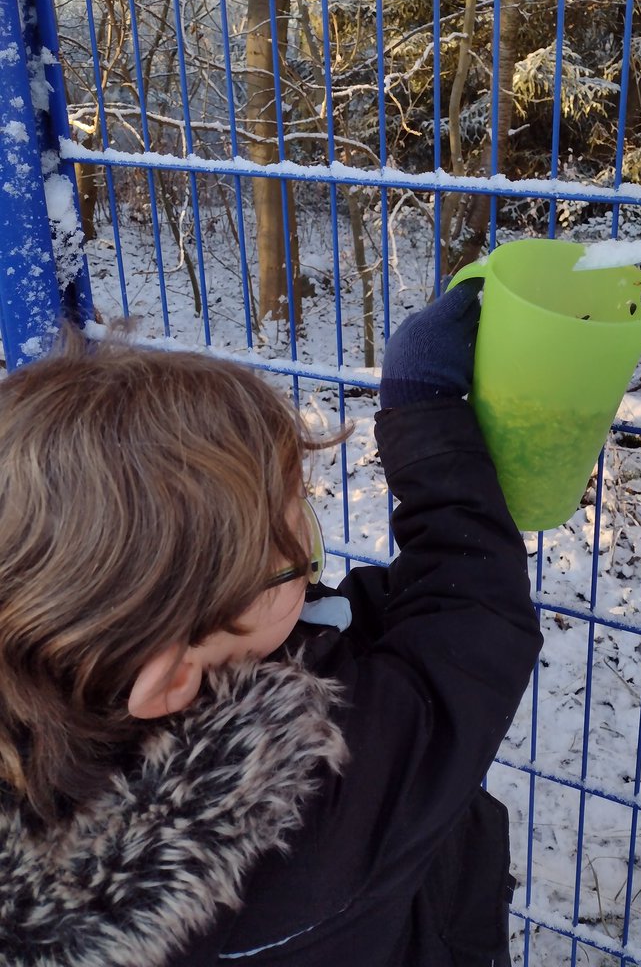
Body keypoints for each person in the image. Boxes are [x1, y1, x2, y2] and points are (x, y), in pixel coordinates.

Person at [0, 282, 542, 967]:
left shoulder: (51, 685)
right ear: (172, 678)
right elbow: (471, 621)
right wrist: (425, 411)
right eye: (289, 558)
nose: (311, 560)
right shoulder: (320, 791)